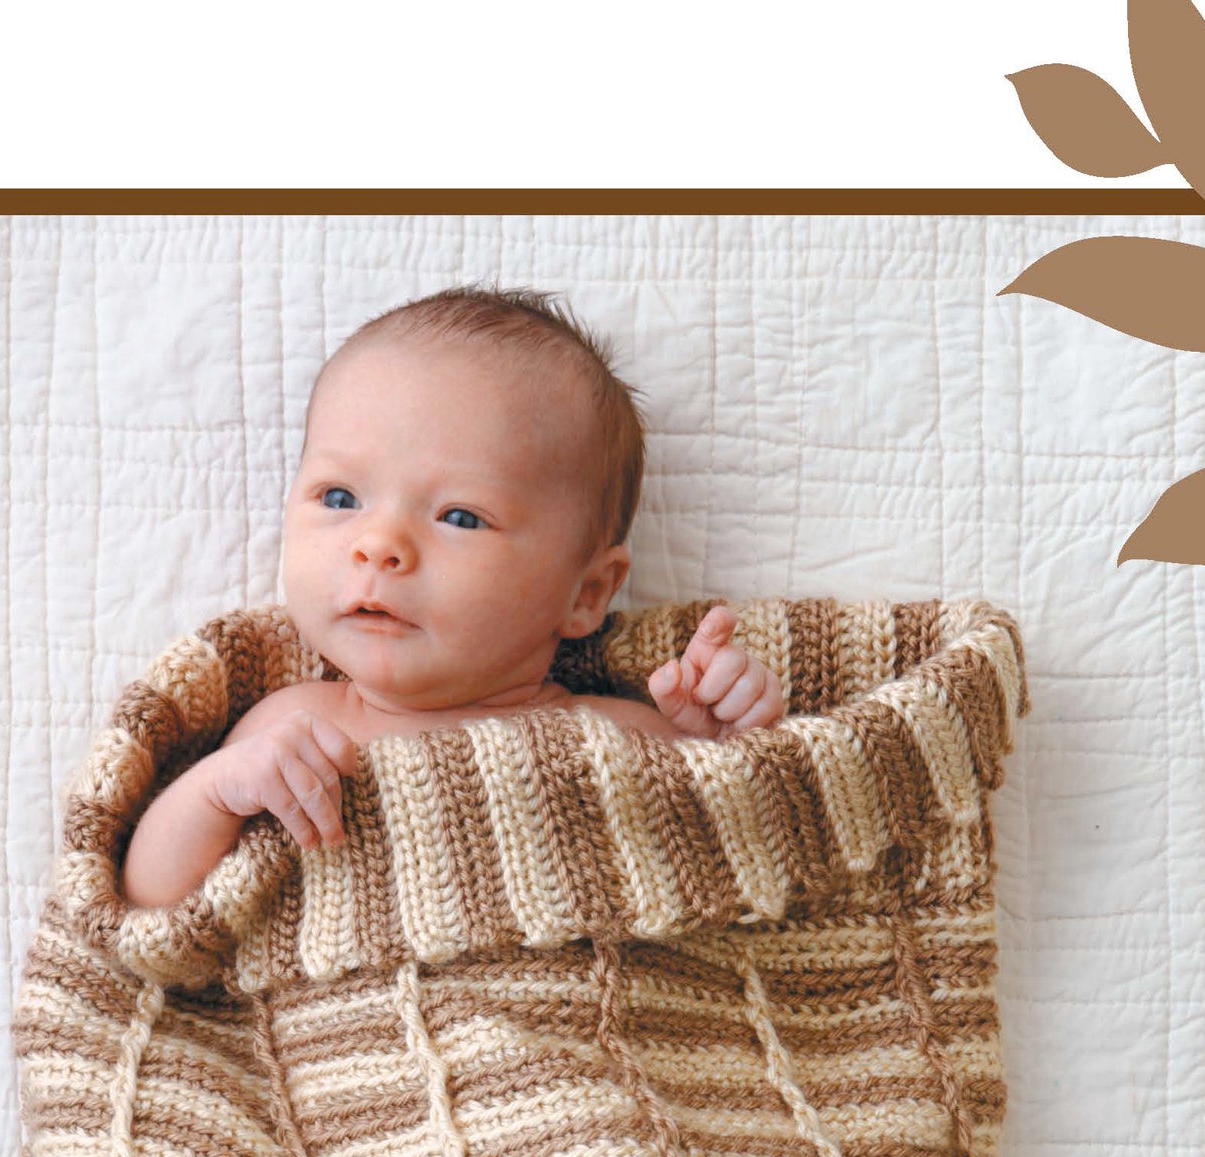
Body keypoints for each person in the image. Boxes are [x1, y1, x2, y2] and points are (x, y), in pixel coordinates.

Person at [120, 287, 785, 909]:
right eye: (341, 498)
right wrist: (215, 791)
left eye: (460, 518)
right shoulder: (286, 729)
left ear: (585, 595)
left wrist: (719, 745)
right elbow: (152, 901)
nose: (378, 544)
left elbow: (744, 854)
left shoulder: (615, 737)